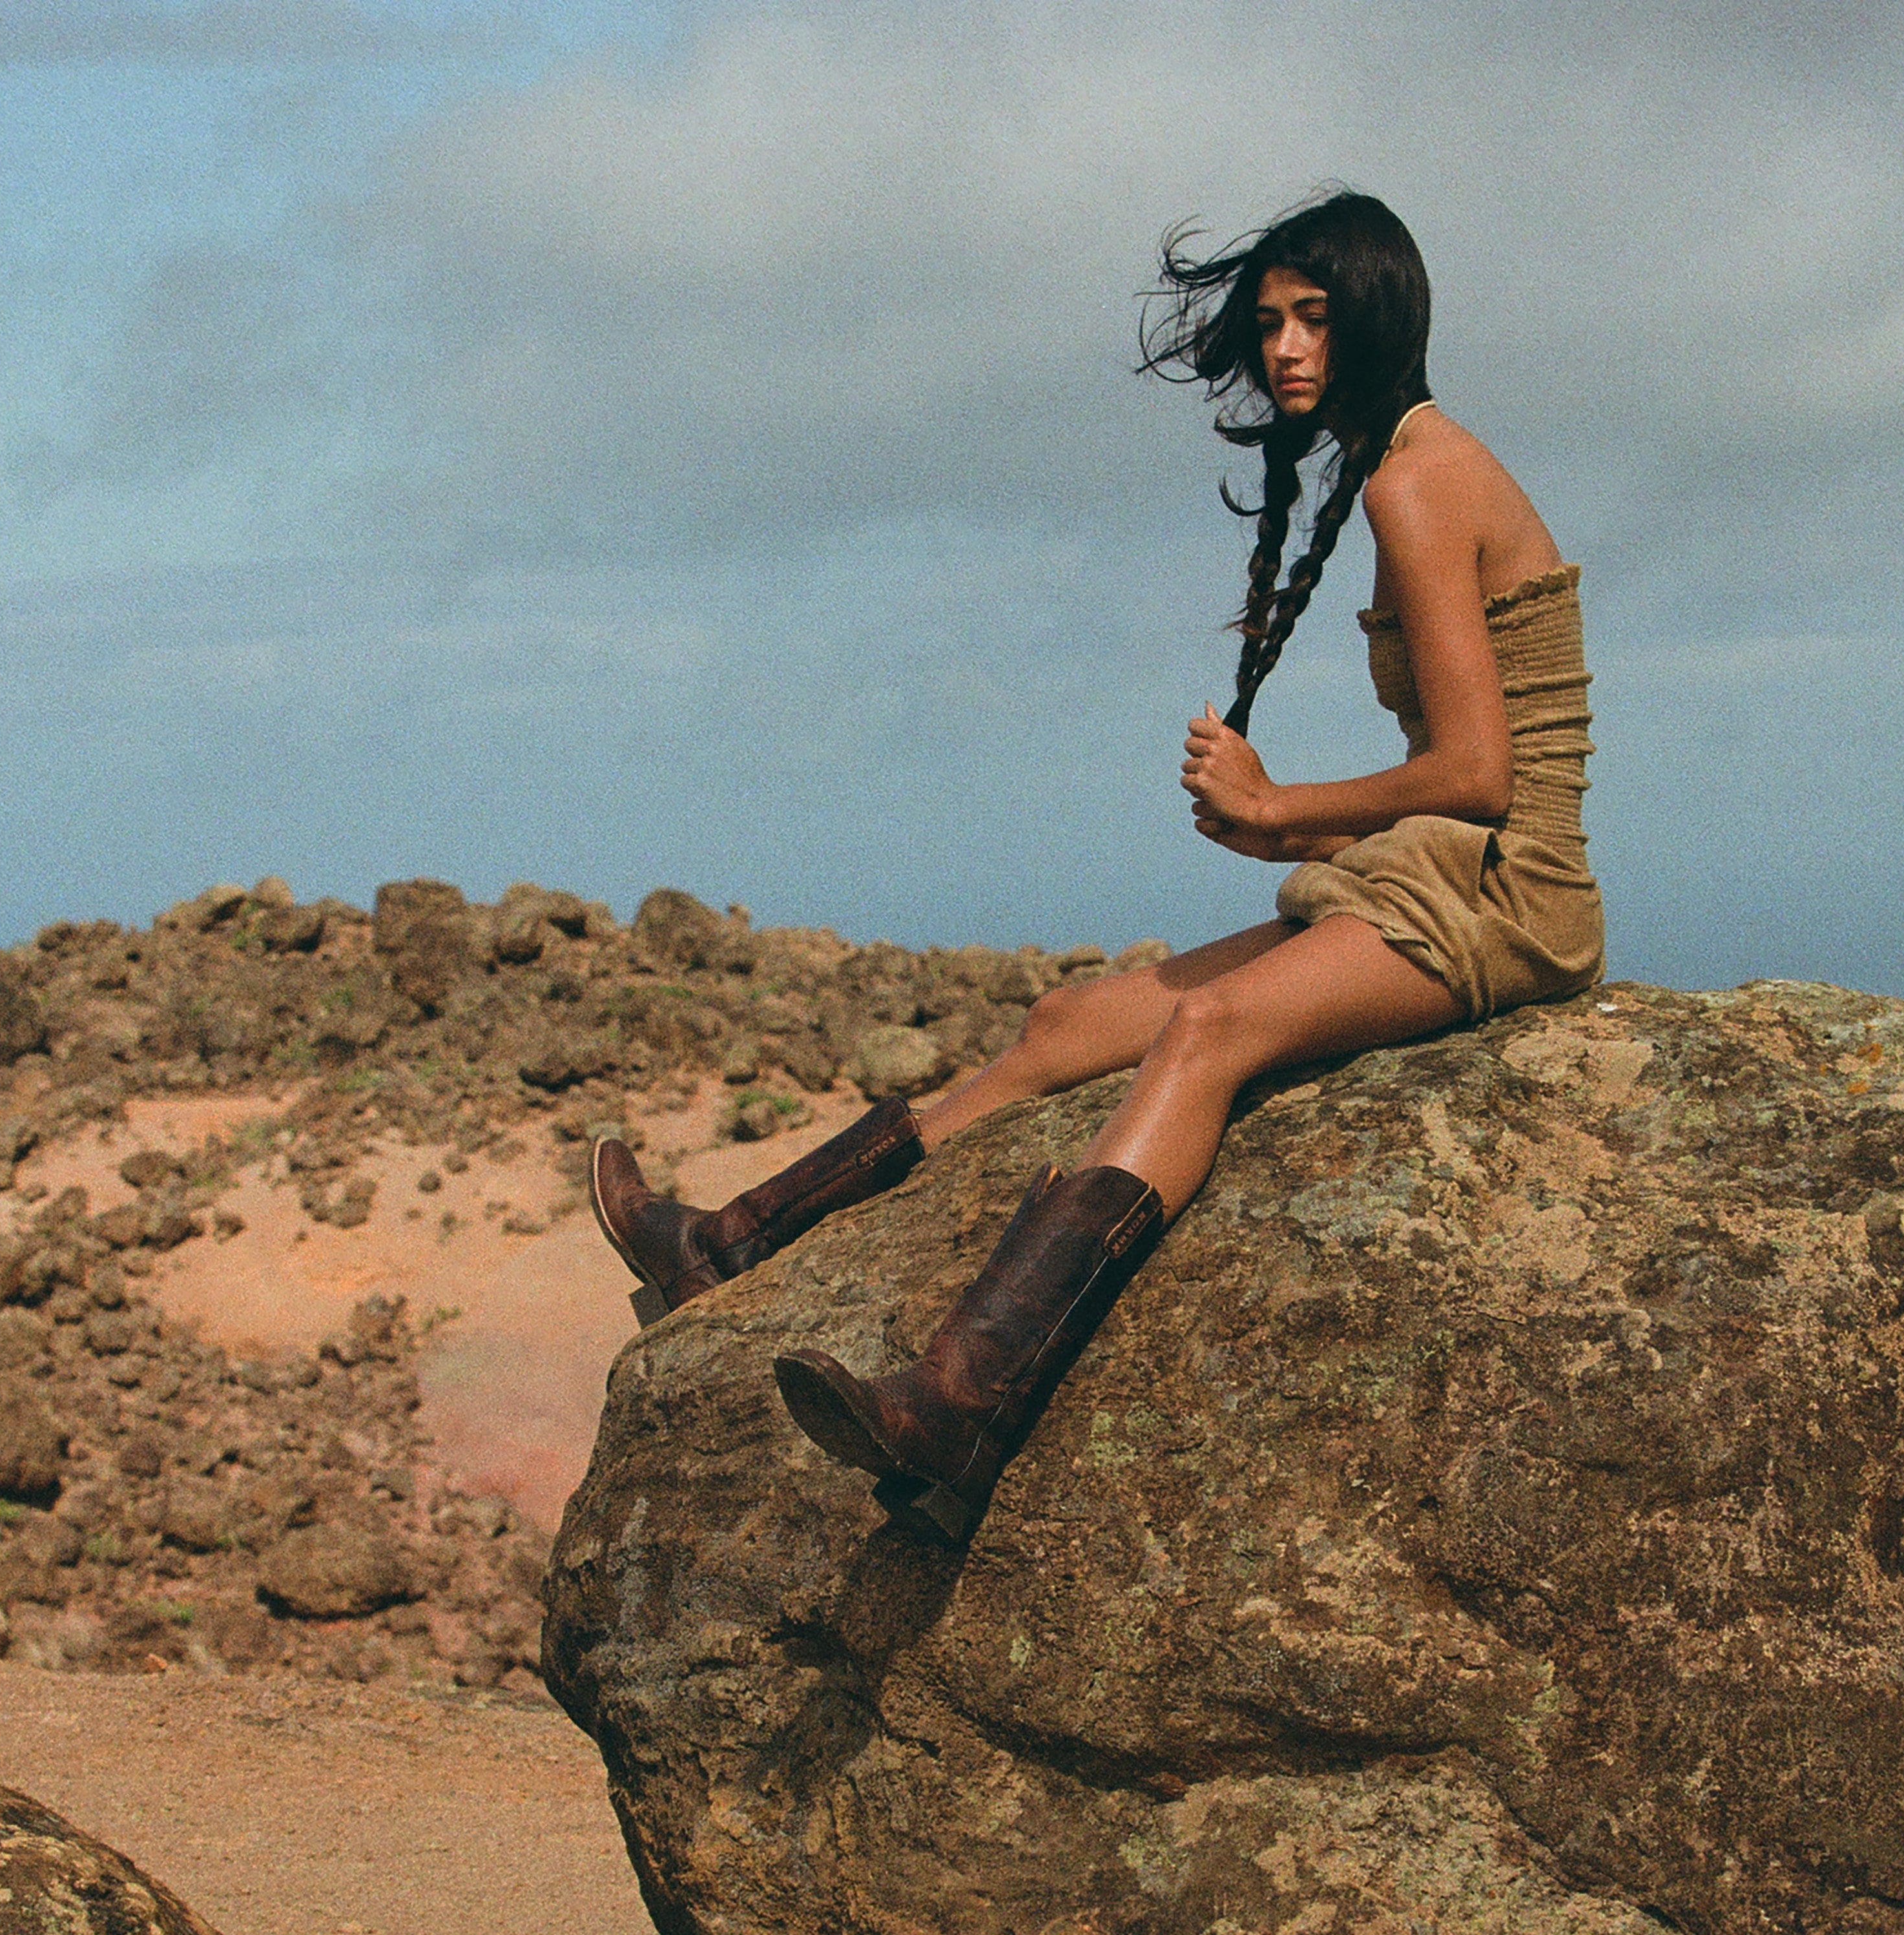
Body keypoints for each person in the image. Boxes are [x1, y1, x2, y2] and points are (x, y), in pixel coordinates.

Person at [587, 189, 1603, 1540]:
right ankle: (729, 1242)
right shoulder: (1393, 474)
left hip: (1505, 896)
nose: (1288, 349)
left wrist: (1281, 797)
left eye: (1315, 318)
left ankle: (960, 1401)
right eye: (1271, 324)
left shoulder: (1421, 477)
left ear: (1381, 317)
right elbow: (1446, 780)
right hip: (1425, 873)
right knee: (1069, 1022)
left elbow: (1484, 776)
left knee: (1208, 1029)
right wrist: (1284, 830)